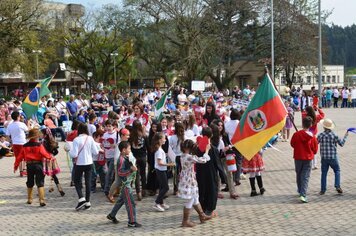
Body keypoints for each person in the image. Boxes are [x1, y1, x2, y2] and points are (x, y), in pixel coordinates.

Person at [106, 141, 142, 228]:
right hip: (125, 185)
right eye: (129, 149)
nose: (130, 150)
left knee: (120, 201)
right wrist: (131, 170)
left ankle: (112, 215)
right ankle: (132, 221)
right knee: (130, 203)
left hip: (126, 184)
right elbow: (120, 173)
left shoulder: (125, 157)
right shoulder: (121, 160)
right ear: (123, 150)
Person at [178, 139, 212, 227]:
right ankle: (185, 221)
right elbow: (203, 160)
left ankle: (202, 215)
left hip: (188, 179)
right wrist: (207, 150)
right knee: (190, 200)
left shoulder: (182, 156)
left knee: (195, 198)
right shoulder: (189, 157)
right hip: (189, 181)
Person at [69, 123, 100, 210]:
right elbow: (95, 152)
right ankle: (88, 202)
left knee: (77, 181)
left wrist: (69, 150)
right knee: (88, 182)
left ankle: (81, 198)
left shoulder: (76, 140)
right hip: (89, 162)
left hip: (79, 163)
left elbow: (74, 154)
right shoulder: (90, 138)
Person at [17, 128, 52, 206]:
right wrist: (50, 157)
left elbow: (20, 156)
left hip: (29, 165)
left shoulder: (25, 146)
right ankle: (41, 200)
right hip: (38, 165)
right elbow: (45, 154)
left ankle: (29, 199)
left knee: (30, 182)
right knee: (40, 182)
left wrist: (16, 165)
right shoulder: (39, 145)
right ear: (36, 136)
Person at [290, 116, 318, 203]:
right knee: (305, 176)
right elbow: (315, 150)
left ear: (302, 124)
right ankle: (303, 194)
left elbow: (292, 144)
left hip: (298, 157)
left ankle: (300, 190)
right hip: (308, 158)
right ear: (310, 125)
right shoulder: (313, 137)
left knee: (299, 174)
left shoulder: (296, 134)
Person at [317, 118, 348, 195]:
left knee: (324, 173)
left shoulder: (320, 135)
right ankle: (337, 186)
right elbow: (341, 144)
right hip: (333, 157)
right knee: (337, 170)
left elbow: (315, 143)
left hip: (324, 157)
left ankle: (323, 190)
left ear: (324, 127)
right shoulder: (334, 135)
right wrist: (345, 136)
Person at [152, 132, 175, 212]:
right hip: (160, 170)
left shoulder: (160, 149)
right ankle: (157, 202)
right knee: (166, 187)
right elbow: (159, 163)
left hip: (162, 170)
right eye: (164, 138)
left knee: (162, 187)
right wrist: (170, 164)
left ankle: (161, 203)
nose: (165, 140)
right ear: (159, 140)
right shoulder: (159, 150)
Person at [6, 111, 29, 177]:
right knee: (24, 157)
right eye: (20, 115)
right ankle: (24, 170)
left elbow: (7, 136)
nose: (21, 116)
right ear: (17, 117)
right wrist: (28, 122)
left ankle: (21, 172)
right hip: (22, 143)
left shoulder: (10, 125)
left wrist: (11, 142)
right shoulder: (21, 124)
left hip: (15, 144)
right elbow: (27, 130)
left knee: (18, 158)